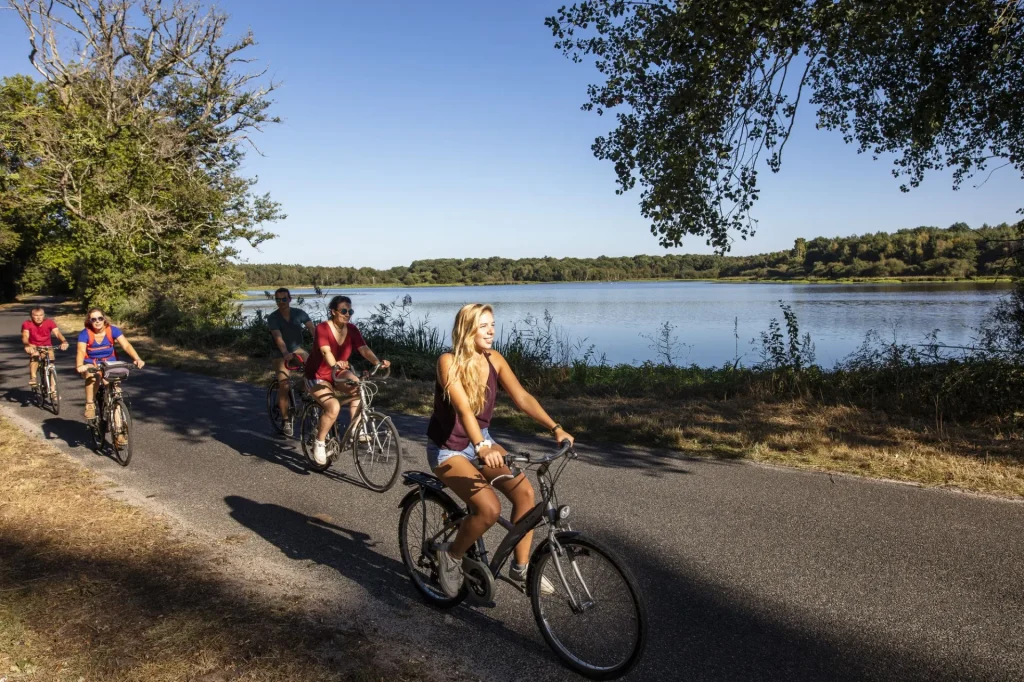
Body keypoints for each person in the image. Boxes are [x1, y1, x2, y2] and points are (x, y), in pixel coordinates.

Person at [426, 303, 573, 597]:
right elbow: (464, 410)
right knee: (490, 508)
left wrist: (555, 428)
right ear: (467, 329)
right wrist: (481, 446)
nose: (491, 330)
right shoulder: (448, 362)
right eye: (483, 326)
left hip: (482, 439)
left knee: (526, 495)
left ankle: (521, 569)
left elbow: (522, 397)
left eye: (492, 324)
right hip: (449, 449)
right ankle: (451, 556)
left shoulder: (494, 359)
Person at [303, 295, 390, 465]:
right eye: (343, 311)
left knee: (359, 385)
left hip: (338, 372)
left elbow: (364, 349)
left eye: (350, 311)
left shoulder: (351, 329)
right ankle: (319, 442)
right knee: (333, 406)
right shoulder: (322, 328)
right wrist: (335, 364)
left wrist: (377, 362)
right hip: (317, 375)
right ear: (333, 312)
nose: (347, 314)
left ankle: (355, 429)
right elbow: (326, 352)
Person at [75, 308, 145, 426]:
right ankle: (90, 404)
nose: (97, 321)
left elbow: (126, 345)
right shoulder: (85, 334)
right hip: (91, 363)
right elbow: (81, 351)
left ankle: (119, 430)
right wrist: (80, 365)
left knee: (116, 392)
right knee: (94, 377)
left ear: (104, 319)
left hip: (110, 363)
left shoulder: (113, 330)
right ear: (89, 321)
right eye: (93, 319)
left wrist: (137, 358)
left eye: (100, 318)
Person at [266, 288, 315, 436]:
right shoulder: (273, 317)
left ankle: (302, 388)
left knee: (313, 372)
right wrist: (285, 352)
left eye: (284, 299)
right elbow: (277, 337)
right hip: (280, 353)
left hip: (297, 349)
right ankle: (286, 420)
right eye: (278, 300)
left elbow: (312, 329)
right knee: (285, 385)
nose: (281, 302)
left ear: (290, 299)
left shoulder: (299, 313)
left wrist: (320, 345)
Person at [21, 306, 69, 388]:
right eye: (36, 315)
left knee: (51, 363)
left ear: (44, 315)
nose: (39, 318)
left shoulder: (49, 322)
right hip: (33, 346)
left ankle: (53, 390)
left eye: (41, 315)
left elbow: (57, 333)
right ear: (31, 316)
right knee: (35, 355)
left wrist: (64, 341)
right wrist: (27, 345)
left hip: (47, 346)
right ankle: (33, 378)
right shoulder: (27, 324)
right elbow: (25, 335)